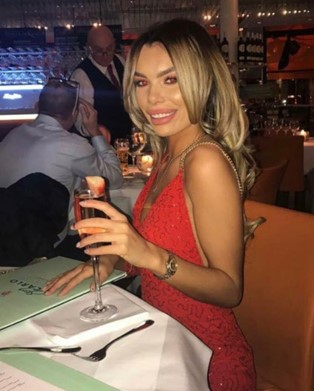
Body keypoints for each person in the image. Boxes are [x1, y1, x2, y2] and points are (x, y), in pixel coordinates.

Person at [44, 19, 261, 390]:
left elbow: (229, 289)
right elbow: (164, 245)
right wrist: (114, 259)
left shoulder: (204, 161)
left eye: (171, 79)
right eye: (142, 82)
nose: (153, 98)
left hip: (204, 361)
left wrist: (149, 256)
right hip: (163, 341)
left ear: (202, 80)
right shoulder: (169, 151)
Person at [0, 77, 123, 247]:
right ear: (74, 113)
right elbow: (114, 180)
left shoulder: (13, 135)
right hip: (44, 243)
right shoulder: (73, 145)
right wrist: (95, 132)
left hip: (6, 237)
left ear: (38, 106)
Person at [71, 25, 133, 141]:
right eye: (99, 50)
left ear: (114, 44)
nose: (105, 55)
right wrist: (97, 130)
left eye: (109, 49)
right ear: (90, 48)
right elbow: (81, 121)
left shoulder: (120, 61)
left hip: (126, 139)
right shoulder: (81, 75)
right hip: (102, 144)